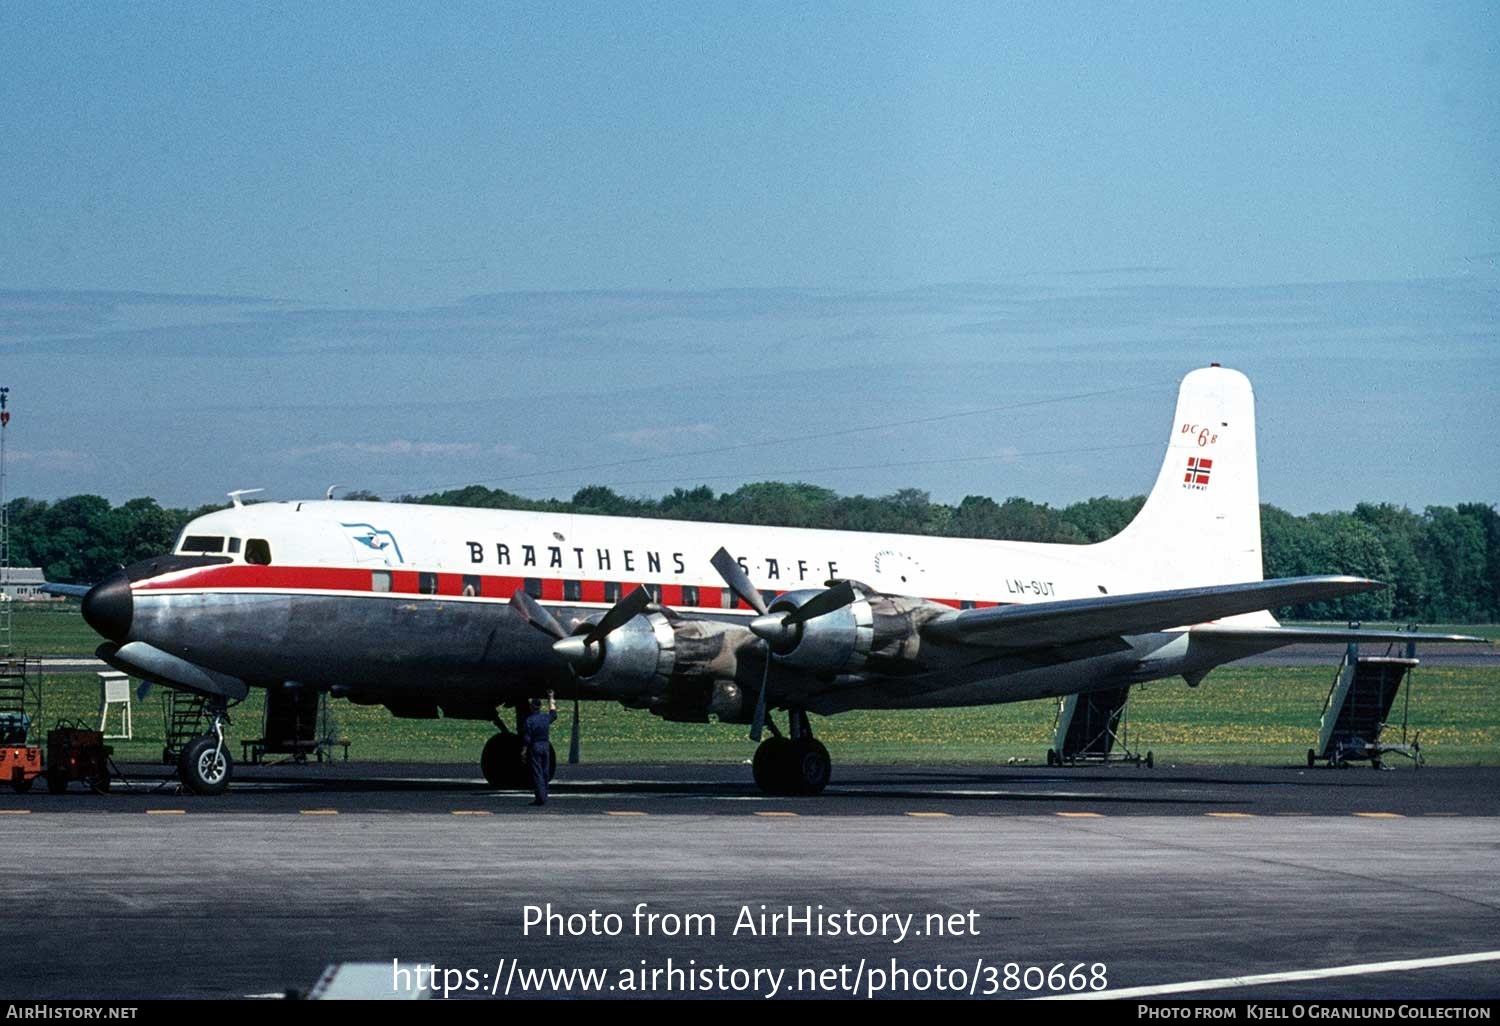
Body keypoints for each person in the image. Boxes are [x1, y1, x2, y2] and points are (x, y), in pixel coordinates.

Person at [520, 690, 558, 806]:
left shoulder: (529, 721)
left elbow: (527, 738)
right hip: (546, 746)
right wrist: (551, 698)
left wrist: (524, 751)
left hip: (535, 746)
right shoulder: (545, 718)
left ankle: (540, 797)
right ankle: (544, 794)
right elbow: (553, 714)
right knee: (545, 771)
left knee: (537, 772)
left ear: (532, 707)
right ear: (540, 707)